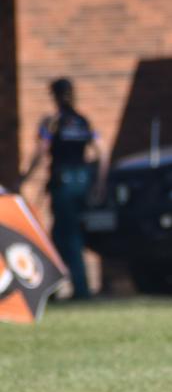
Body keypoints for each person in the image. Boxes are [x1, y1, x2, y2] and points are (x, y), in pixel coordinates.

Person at [18, 78, 107, 300]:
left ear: (55, 96)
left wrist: (25, 177)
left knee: (68, 235)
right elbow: (102, 151)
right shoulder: (82, 121)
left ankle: (80, 289)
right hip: (83, 181)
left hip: (64, 183)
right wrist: (99, 182)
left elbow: (42, 150)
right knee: (60, 235)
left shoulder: (53, 122)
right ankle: (53, 287)